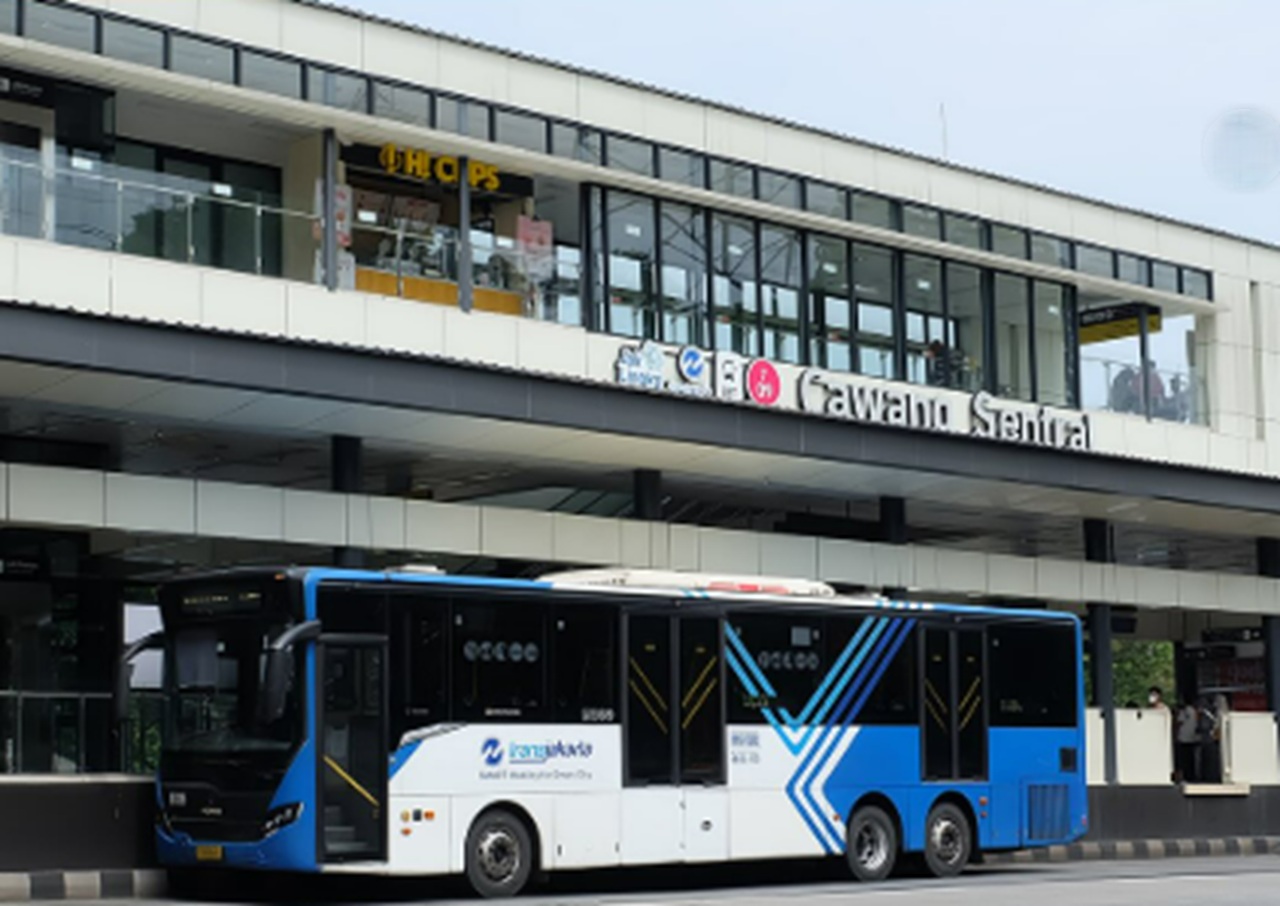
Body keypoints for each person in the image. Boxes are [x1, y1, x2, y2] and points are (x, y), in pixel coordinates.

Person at [1175, 699, 1200, 783]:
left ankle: (1185, 776)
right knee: (1191, 759)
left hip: (1183, 738)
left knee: (1183, 759)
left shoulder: (1184, 711)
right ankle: (1192, 776)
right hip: (1192, 738)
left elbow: (1179, 722)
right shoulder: (1195, 711)